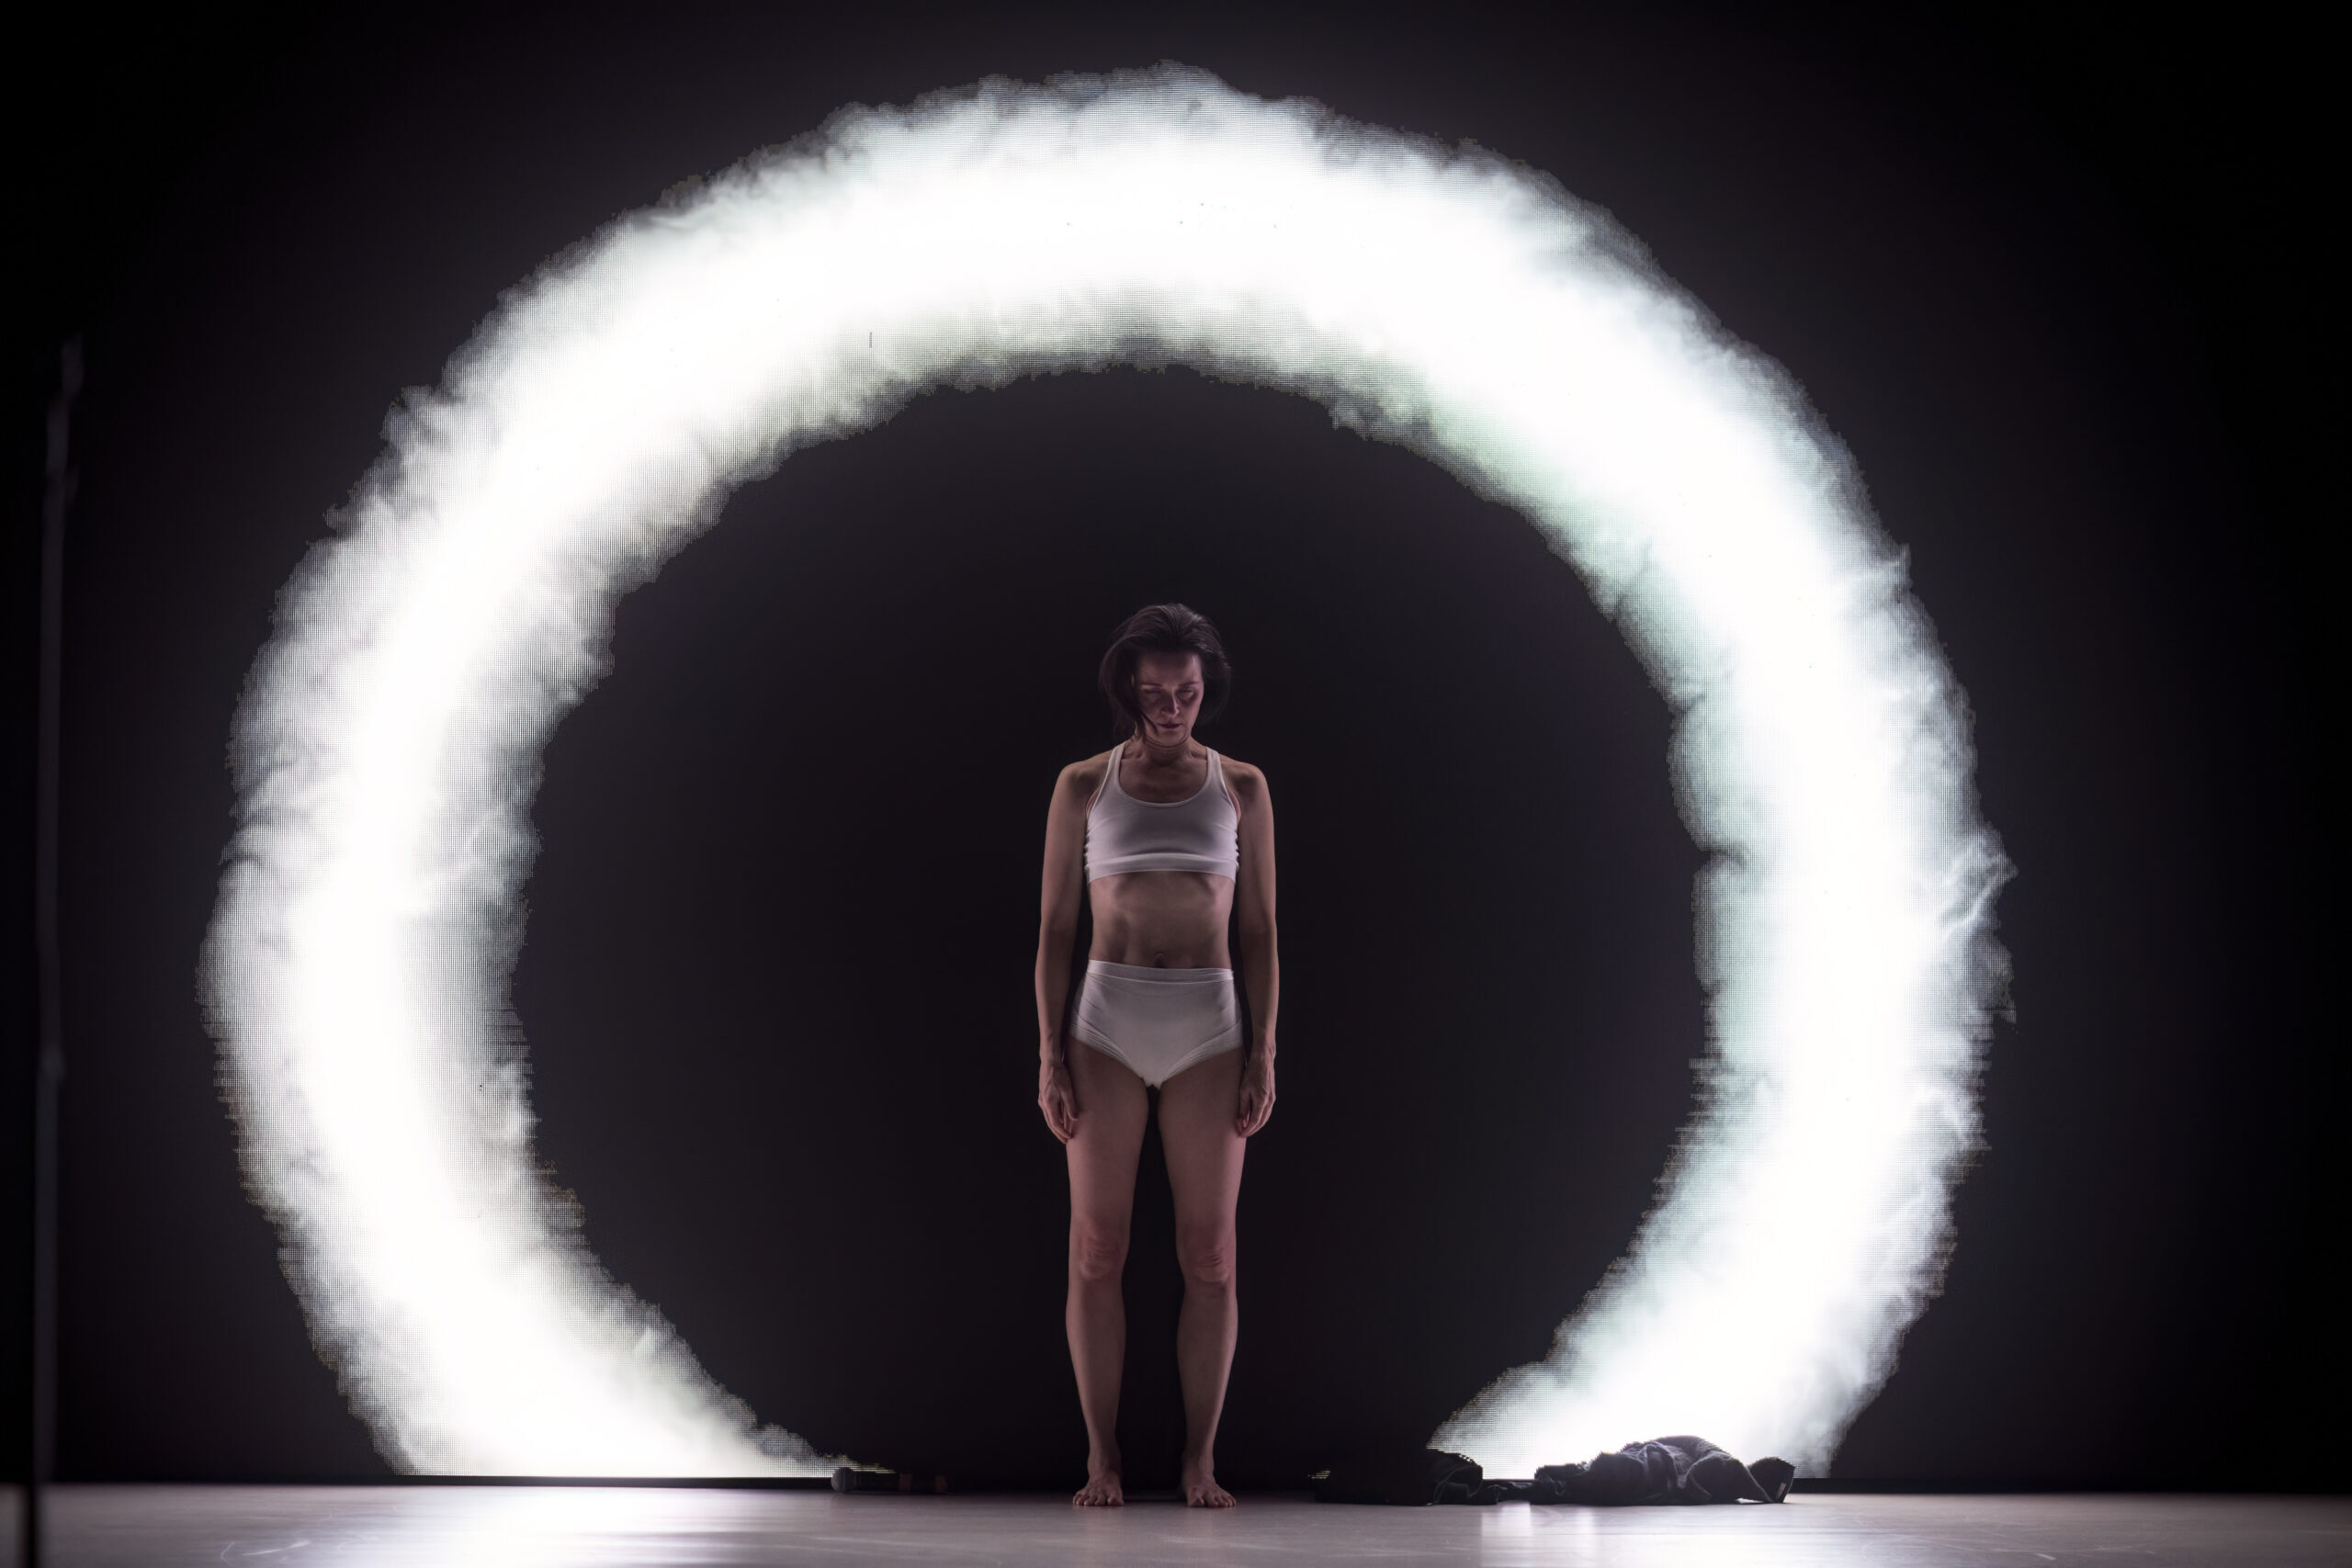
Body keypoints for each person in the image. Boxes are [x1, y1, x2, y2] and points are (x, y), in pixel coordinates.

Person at [1034, 604, 1278, 1508]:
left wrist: (1263, 1050)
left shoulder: (1241, 784)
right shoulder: (1082, 785)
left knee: (1210, 1255)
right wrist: (1049, 1054)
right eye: (1155, 693)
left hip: (1210, 1024)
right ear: (1128, 691)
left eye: (1187, 692)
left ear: (1206, 690)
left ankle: (1198, 1461)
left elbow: (1260, 928)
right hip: (1106, 1020)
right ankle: (1101, 1459)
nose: (1172, 708)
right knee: (1097, 1247)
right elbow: (1056, 929)